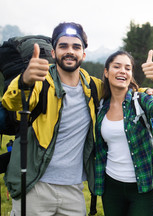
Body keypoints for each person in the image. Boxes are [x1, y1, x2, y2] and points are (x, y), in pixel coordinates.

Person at [2, 22, 102, 215]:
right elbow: (12, 102)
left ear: (84, 54)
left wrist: (147, 90)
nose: (70, 51)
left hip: (74, 190)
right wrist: (24, 80)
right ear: (54, 52)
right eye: (63, 46)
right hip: (35, 186)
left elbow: (119, 89)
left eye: (76, 47)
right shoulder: (41, 81)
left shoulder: (93, 87)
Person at [94, 50, 153, 216]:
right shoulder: (101, 106)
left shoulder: (141, 100)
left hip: (142, 186)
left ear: (131, 75)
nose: (123, 71)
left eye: (127, 68)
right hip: (111, 186)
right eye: (117, 66)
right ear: (106, 72)